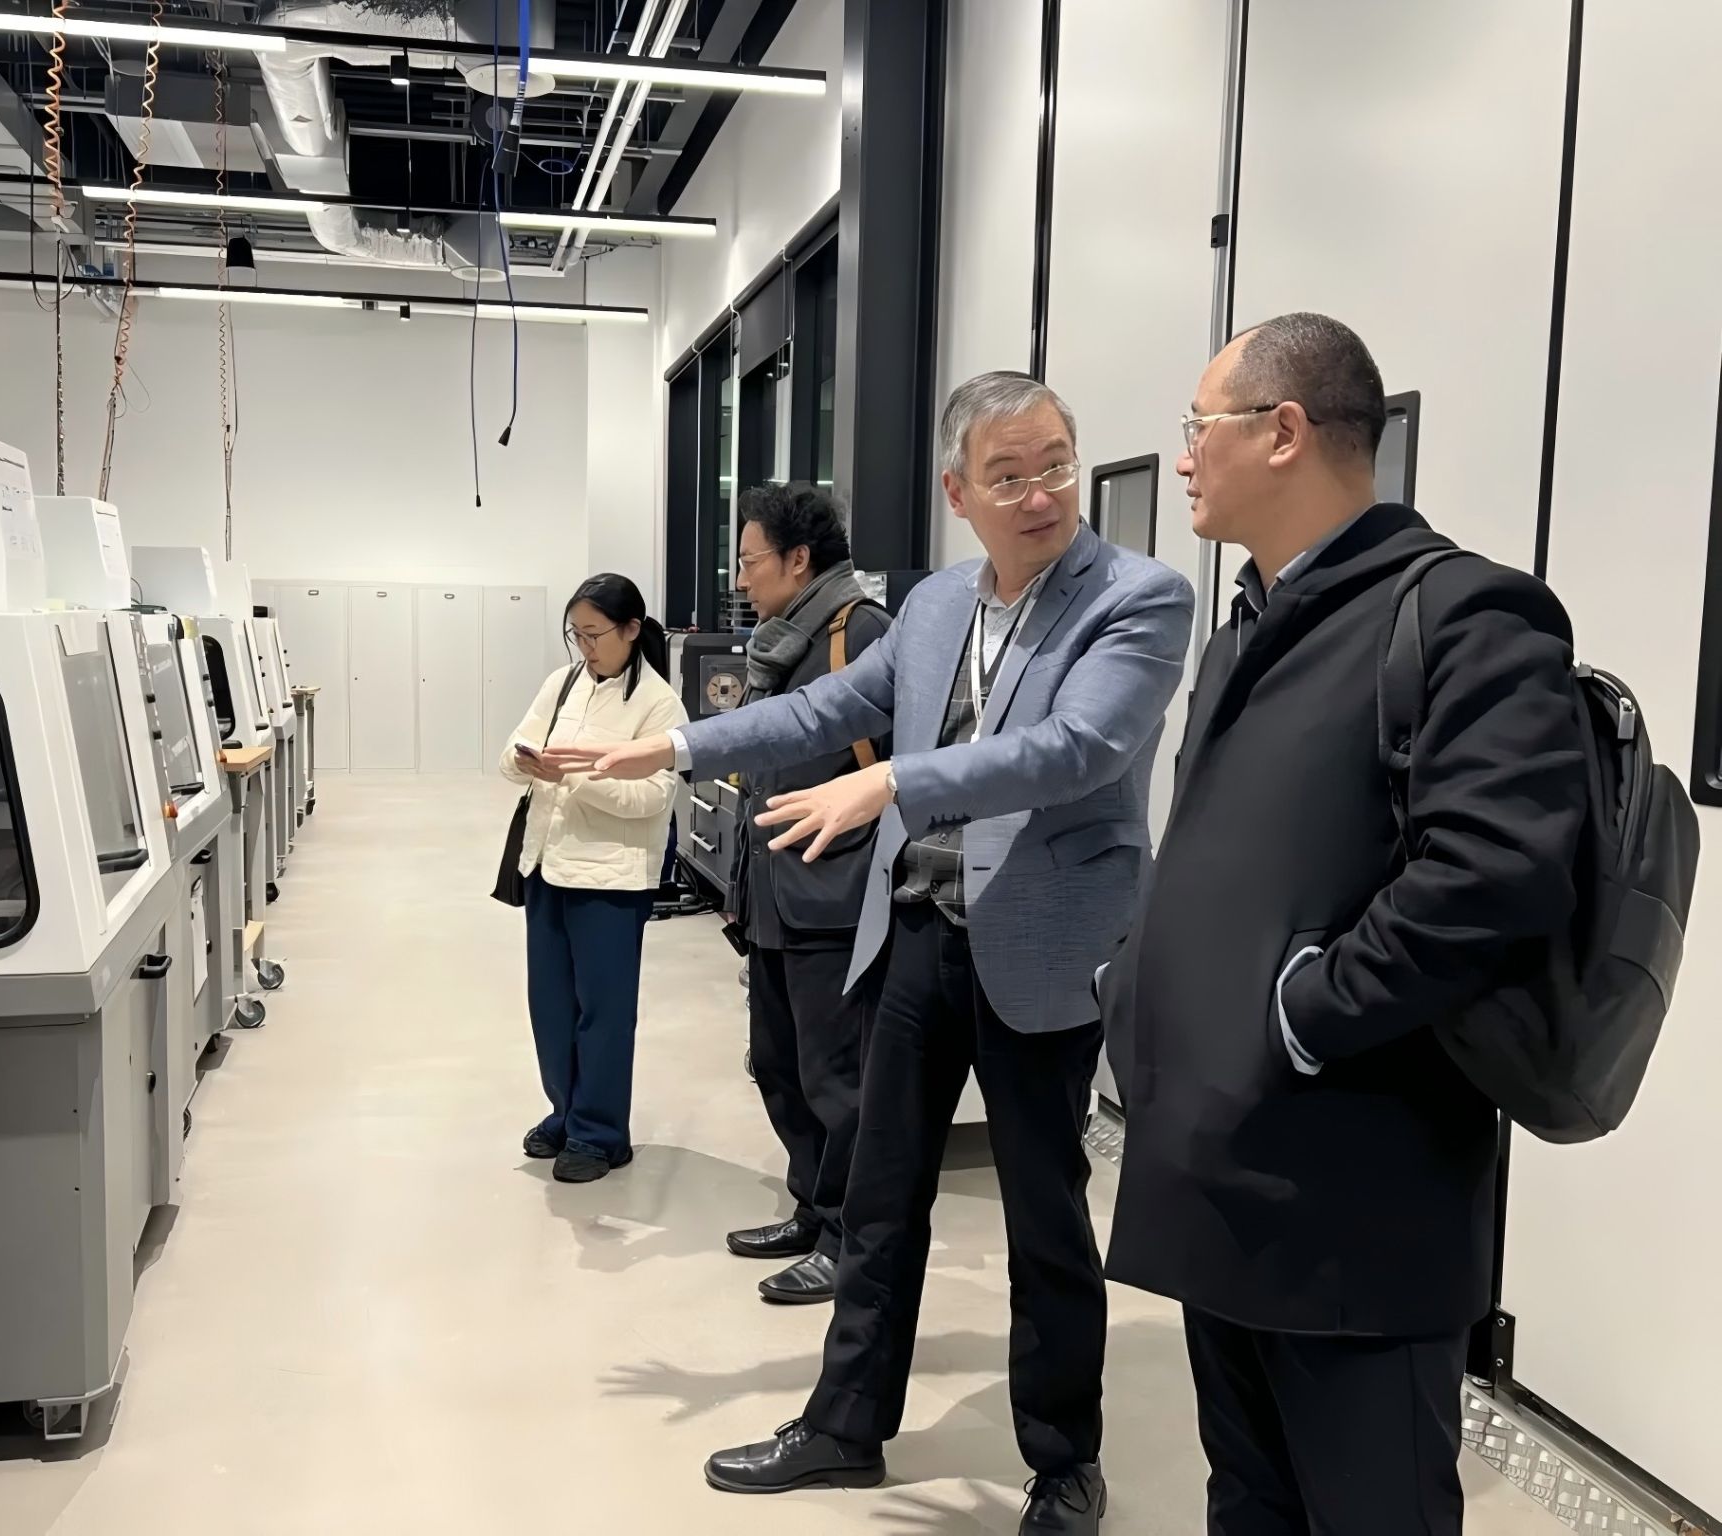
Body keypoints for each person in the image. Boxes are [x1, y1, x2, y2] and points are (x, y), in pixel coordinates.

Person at [551, 373, 1194, 1534]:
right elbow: (818, 710)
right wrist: (677, 746)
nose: (1039, 494)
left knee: (1044, 1221)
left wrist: (890, 780)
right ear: (958, 492)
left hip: (1040, 944)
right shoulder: (939, 604)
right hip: (918, 934)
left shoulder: (1137, 598)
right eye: (1007, 475)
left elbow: (1079, 748)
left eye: (1054, 465)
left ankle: (1063, 1462)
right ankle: (845, 1425)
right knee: (877, 1196)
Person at [1099, 313, 1589, 1535]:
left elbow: (1493, 871)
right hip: (1218, 1173)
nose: (1181, 459)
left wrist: (1304, 1016)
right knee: (1246, 1502)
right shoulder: (1246, 628)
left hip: (1351, 1203)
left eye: (1197, 428)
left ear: (1282, 432)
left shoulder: (1464, 615)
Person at [718, 483, 892, 1306]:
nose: (740, 579)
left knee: (839, 1081)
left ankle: (847, 1239)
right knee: (778, 1066)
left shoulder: (863, 634)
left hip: (837, 898)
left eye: (749, 561)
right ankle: (812, 1206)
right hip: (775, 896)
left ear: (797, 560)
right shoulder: (780, 644)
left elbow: (905, 768)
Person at [500, 573, 688, 1185]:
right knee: (550, 1006)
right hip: (546, 867)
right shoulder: (563, 684)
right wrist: (525, 762)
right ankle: (565, 1113)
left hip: (611, 880)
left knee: (603, 1012)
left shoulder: (658, 702)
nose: (585, 647)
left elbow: (654, 797)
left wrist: (574, 778)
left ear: (631, 630)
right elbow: (514, 750)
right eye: (575, 635)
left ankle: (600, 1132)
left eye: (594, 634)